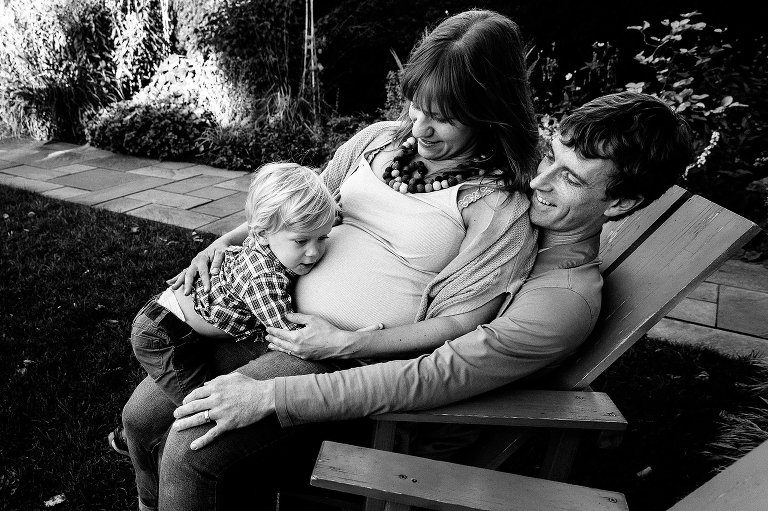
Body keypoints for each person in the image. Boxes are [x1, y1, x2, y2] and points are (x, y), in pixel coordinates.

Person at [168, 91, 693, 507]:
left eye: (570, 179)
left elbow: (429, 377)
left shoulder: (560, 303)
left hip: (386, 425)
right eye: (550, 157)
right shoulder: (525, 222)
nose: (538, 180)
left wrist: (276, 396)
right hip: (328, 359)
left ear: (622, 203)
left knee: (191, 453)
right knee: (149, 413)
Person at [118, 9, 541, 511]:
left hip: (342, 364)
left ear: (490, 109)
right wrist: (225, 242)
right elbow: (296, 208)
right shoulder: (377, 142)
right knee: (141, 419)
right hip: (262, 319)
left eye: (444, 116)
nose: (421, 128)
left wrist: (349, 341)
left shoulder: (498, 207)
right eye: (416, 105)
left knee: (192, 451)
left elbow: (463, 322)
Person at [127, 163, 338, 406]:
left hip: (176, 320)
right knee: (203, 402)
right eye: (301, 241)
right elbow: (288, 334)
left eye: (322, 237)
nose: (314, 252)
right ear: (261, 234)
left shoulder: (269, 242)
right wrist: (337, 339)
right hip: (165, 333)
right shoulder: (263, 279)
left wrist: (327, 219)